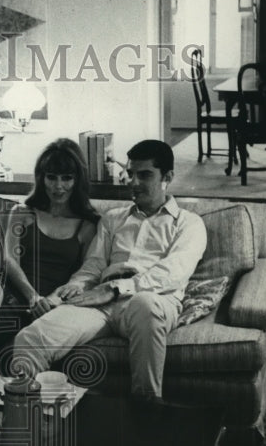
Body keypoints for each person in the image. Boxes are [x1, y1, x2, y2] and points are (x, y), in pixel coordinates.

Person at [11, 139, 207, 398]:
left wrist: (116, 288)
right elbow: (93, 265)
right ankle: (30, 416)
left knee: (144, 305)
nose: (134, 183)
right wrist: (74, 286)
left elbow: (173, 273)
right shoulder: (113, 218)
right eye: (131, 174)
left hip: (153, 300)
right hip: (101, 302)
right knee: (29, 339)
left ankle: (146, 410)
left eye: (145, 175)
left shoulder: (189, 223)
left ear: (167, 176)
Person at [0, 138, 99, 373]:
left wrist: (50, 300)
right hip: (10, 291)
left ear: (78, 181)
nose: (58, 186)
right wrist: (31, 295)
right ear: (41, 178)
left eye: (67, 178)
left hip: (48, 303)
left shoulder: (87, 224)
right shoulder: (22, 212)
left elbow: (84, 275)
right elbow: (9, 259)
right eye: (51, 177)